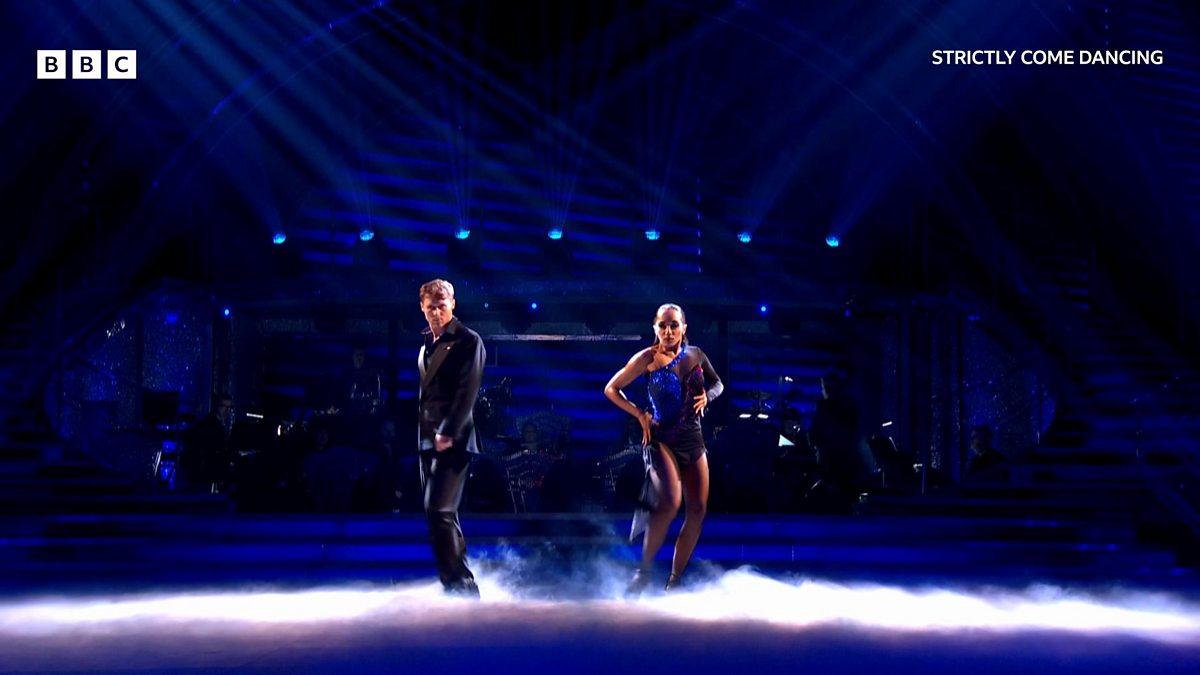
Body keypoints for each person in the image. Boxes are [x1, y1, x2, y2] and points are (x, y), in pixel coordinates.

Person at [604, 303, 723, 592]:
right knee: (670, 502)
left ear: (684, 328)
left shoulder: (696, 354)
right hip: (661, 440)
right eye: (663, 325)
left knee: (698, 509)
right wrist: (639, 414)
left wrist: (708, 396)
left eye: (674, 325)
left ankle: (674, 580)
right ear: (655, 328)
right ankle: (643, 572)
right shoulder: (646, 358)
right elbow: (611, 389)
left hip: (693, 440)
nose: (668, 331)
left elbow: (718, 383)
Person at [416, 278, 486, 597]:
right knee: (443, 514)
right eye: (430, 307)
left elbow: (467, 391)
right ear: (422, 308)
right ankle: (459, 581)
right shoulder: (426, 344)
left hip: (453, 439)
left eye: (441, 306)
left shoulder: (468, 340)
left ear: (453, 304)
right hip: (427, 439)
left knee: (439, 510)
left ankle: (459, 581)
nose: (436, 312)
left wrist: (447, 431)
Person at [183, 393, 235, 493]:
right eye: (223, 406)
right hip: (205, 472)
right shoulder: (210, 425)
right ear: (216, 406)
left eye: (229, 407)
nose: (227, 410)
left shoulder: (216, 424)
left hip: (206, 471)